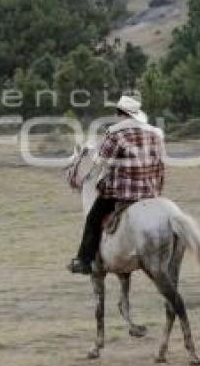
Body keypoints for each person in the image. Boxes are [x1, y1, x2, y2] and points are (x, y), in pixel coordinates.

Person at [68, 95, 166, 275]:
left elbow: (100, 162)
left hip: (122, 193)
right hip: (151, 192)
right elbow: (161, 165)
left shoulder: (115, 133)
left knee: (93, 218)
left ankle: (84, 260)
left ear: (119, 113)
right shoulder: (155, 133)